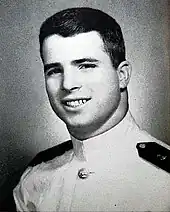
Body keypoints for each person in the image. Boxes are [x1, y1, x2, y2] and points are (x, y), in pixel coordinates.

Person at [13, 7, 170, 211]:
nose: (68, 84)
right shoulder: (34, 181)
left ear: (122, 75)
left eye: (86, 65)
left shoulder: (164, 180)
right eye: (54, 70)